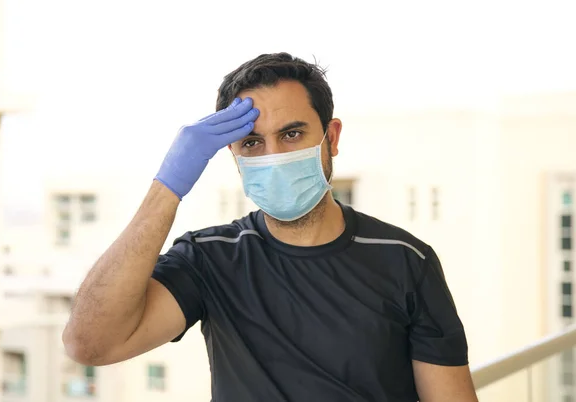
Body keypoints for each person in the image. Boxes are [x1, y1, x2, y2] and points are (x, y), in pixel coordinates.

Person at [63, 53, 479, 402]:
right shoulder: (209, 260)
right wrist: (167, 187)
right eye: (252, 143)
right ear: (234, 155)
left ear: (331, 138)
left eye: (292, 134)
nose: (274, 155)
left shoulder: (405, 259)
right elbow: (90, 344)